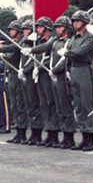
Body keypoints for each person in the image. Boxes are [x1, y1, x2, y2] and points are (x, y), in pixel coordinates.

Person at [59, 10, 93, 151]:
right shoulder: (74, 38)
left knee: (86, 105)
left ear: (85, 23)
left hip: (83, 71)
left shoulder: (89, 38)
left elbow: (81, 52)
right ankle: (83, 138)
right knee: (78, 107)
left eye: (78, 21)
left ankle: (90, 139)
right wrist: (68, 70)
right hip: (74, 71)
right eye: (74, 21)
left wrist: (67, 53)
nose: (75, 23)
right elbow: (70, 56)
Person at [27, 16, 60, 147]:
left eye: (40, 27)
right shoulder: (38, 41)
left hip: (47, 74)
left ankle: (54, 135)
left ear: (47, 28)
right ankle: (48, 132)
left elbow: (48, 58)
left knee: (51, 103)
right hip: (40, 76)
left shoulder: (52, 40)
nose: (38, 29)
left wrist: (39, 67)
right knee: (44, 105)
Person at [49, 16, 77, 149]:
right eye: (57, 27)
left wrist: (55, 70)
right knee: (59, 107)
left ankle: (69, 137)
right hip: (54, 76)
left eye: (60, 27)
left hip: (62, 77)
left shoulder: (68, 42)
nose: (58, 29)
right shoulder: (55, 42)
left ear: (66, 28)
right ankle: (64, 135)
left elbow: (65, 61)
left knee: (65, 107)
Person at [0, 22, 28, 143]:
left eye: (13, 30)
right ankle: (18, 132)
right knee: (14, 105)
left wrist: (1, 50)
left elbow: (14, 51)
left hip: (18, 75)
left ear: (18, 31)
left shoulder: (21, 42)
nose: (10, 31)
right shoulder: (13, 42)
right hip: (11, 75)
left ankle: (23, 133)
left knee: (20, 105)